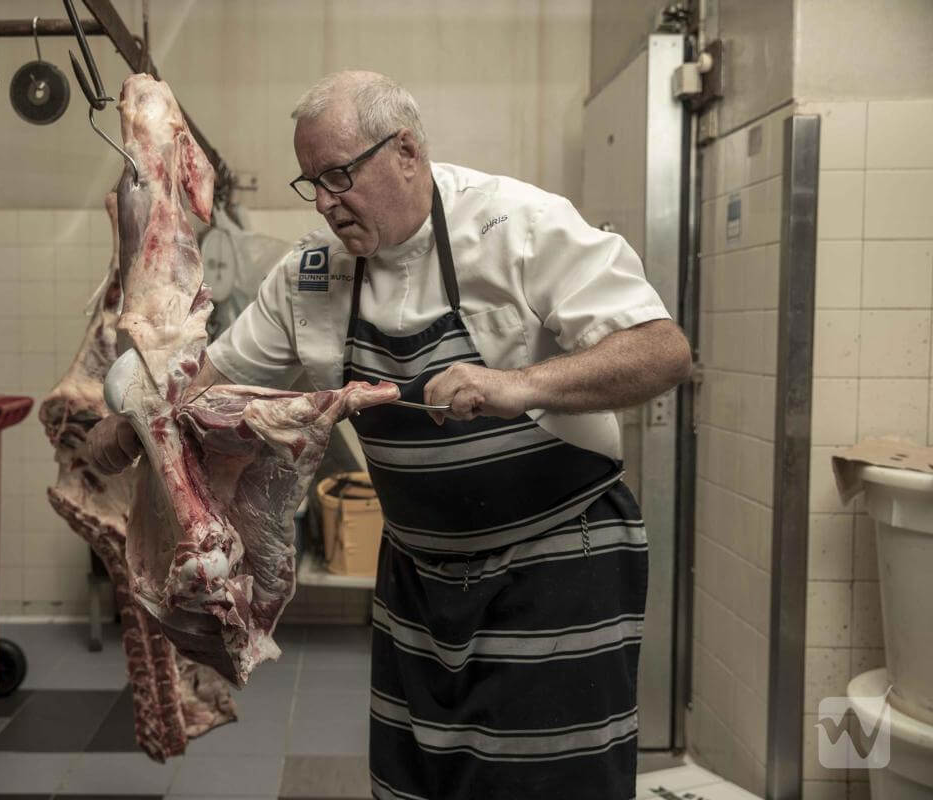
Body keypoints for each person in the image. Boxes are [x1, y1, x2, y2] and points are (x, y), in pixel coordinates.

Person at [90, 70, 692, 799]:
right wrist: (133, 421)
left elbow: (663, 351)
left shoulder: (516, 225)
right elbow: (208, 380)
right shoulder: (311, 276)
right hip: (419, 572)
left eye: (339, 174)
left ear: (406, 150)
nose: (324, 200)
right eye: (310, 181)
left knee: (546, 785)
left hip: (558, 564)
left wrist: (517, 385)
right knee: (417, 780)